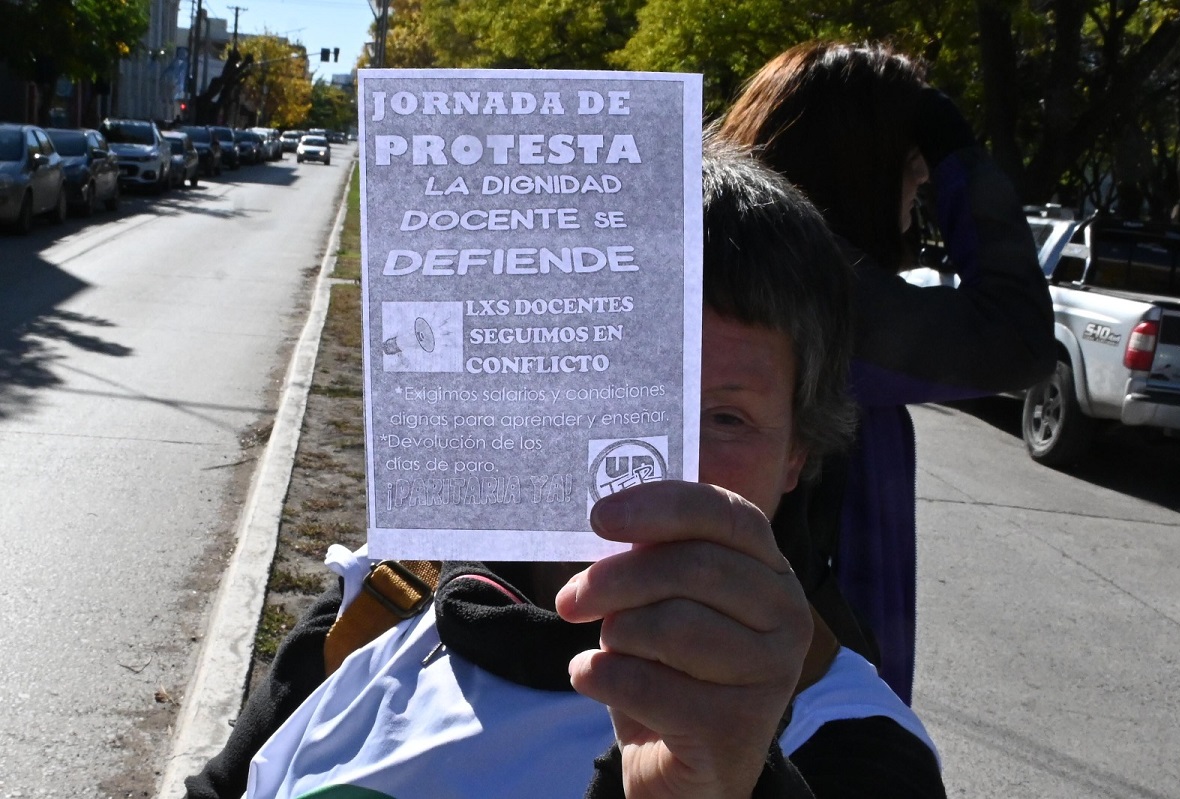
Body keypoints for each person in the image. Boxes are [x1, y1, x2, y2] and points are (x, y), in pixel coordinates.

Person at [185, 140, 946, 799]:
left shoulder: (853, 748)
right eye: (621, 390)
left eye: (726, 418)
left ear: (796, 454)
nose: (664, 465)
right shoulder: (386, 602)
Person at [718, 41, 1056, 704]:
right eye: (911, 165)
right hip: (808, 698)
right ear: (859, 167)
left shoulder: (734, 262)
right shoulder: (819, 289)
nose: (921, 185)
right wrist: (957, 149)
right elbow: (1016, 336)